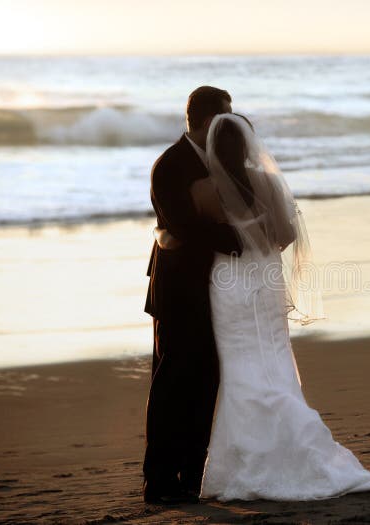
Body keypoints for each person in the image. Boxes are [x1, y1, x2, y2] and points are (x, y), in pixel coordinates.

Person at [154, 110, 370, 501]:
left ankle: (241, 463)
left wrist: (229, 238)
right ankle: (294, 436)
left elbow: (183, 232)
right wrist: (259, 239)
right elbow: (287, 234)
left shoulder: (204, 188)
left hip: (228, 286)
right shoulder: (269, 182)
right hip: (267, 282)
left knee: (238, 368)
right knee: (272, 357)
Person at [142, 86, 241, 504]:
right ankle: (158, 480)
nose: (229, 125)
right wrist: (237, 238)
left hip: (214, 292)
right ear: (201, 121)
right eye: (222, 118)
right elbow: (183, 227)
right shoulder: (169, 165)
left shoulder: (222, 161)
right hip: (177, 291)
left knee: (205, 385)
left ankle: (190, 476)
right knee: (172, 385)